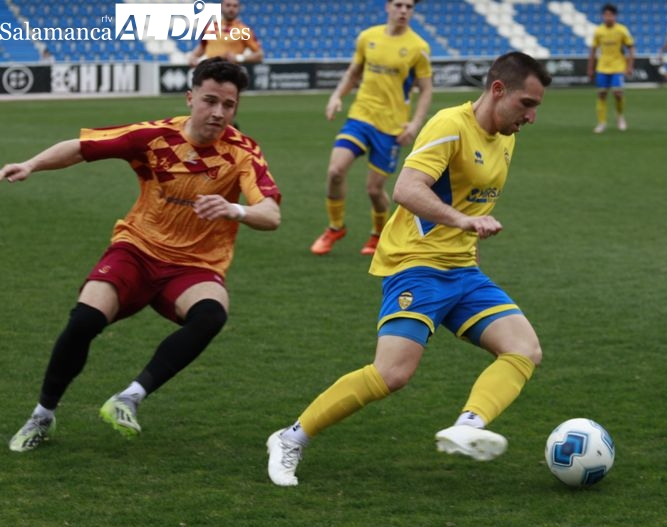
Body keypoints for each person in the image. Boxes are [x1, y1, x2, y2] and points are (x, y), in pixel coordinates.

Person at [267, 52, 552, 487]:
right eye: (527, 104)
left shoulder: (507, 136)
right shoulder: (450, 125)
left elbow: (472, 200)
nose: (531, 116)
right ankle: (290, 438)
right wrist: (461, 221)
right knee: (392, 373)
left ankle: (469, 425)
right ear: (498, 90)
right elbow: (405, 188)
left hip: (462, 269)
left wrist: (469, 243)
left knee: (524, 348)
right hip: (416, 265)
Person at [3, 58, 282, 452]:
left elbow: (271, 214)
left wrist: (235, 209)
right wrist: (31, 164)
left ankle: (130, 396)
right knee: (84, 320)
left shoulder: (242, 153)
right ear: (190, 98)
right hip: (137, 249)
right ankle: (42, 415)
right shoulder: (153, 136)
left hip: (194, 265)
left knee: (210, 315)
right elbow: (81, 149)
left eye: (229, 105)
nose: (218, 112)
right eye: (210, 100)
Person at [310, 0, 433, 256]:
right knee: (335, 171)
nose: (403, 11)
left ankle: (378, 234)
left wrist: (415, 123)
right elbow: (353, 73)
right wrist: (336, 96)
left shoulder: (418, 47)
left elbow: (426, 90)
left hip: (391, 128)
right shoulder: (368, 37)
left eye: (409, 7)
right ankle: (335, 227)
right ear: (388, 7)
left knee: (375, 190)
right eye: (398, 5)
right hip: (360, 116)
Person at [587, 3, 635, 133]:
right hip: (602, 67)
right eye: (606, 15)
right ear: (603, 16)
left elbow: (631, 47)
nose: (608, 17)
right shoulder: (599, 31)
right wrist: (590, 68)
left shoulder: (622, 30)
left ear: (615, 16)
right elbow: (593, 50)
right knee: (601, 94)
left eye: (611, 15)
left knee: (617, 93)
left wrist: (630, 66)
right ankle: (601, 122)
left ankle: (620, 117)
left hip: (618, 66)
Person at [188, 0, 263, 67]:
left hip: (231, 73)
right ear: (221, 7)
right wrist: (192, 58)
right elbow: (202, 47)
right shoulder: (210, 27)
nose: (231, 9)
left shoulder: (244, 30)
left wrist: (238, 58)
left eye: (235, 6)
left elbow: (259, 55)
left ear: (239, 8)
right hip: (210, 72)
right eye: (228, 5)